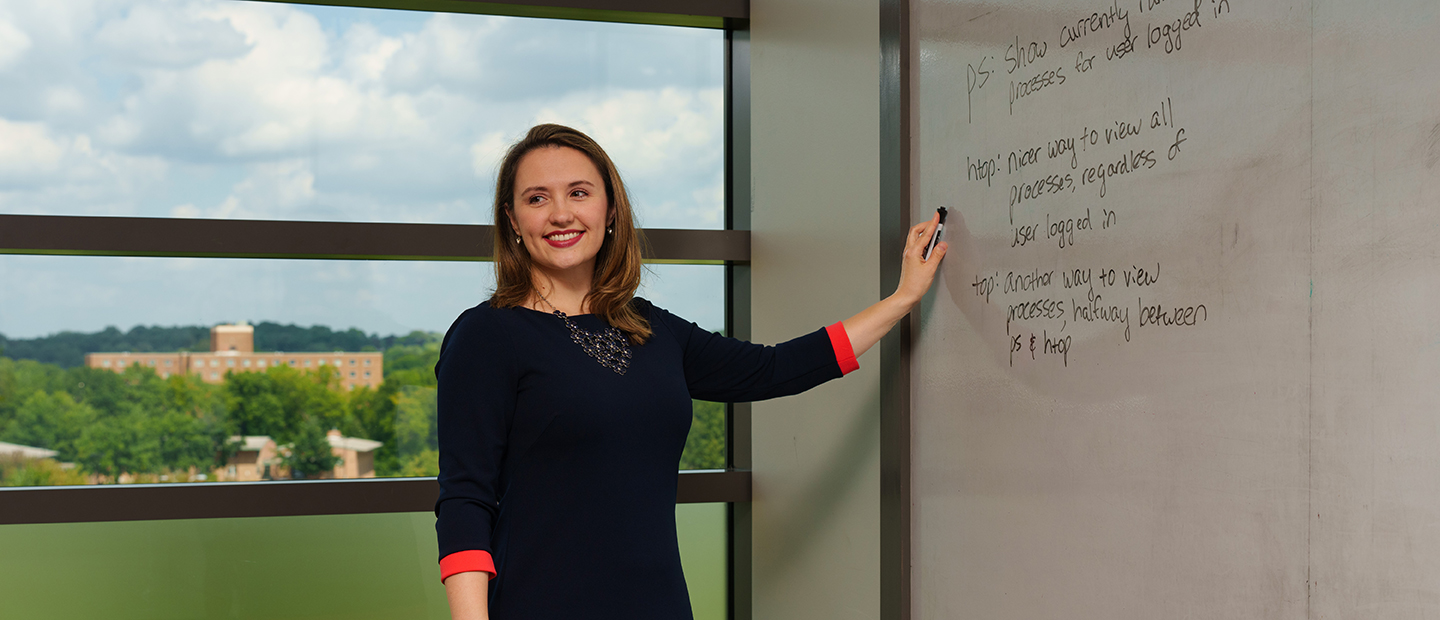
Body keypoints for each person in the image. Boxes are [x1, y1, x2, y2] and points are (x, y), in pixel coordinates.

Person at [435, 123, 948, 620]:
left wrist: (903, 298)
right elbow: (464, 499)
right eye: (537, 198)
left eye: (578, 192)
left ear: (610, 210)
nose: (561, 213)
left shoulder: (652, 329)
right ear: (512, 219)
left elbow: (776, 368)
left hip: (657, 604)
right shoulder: (487, 337)